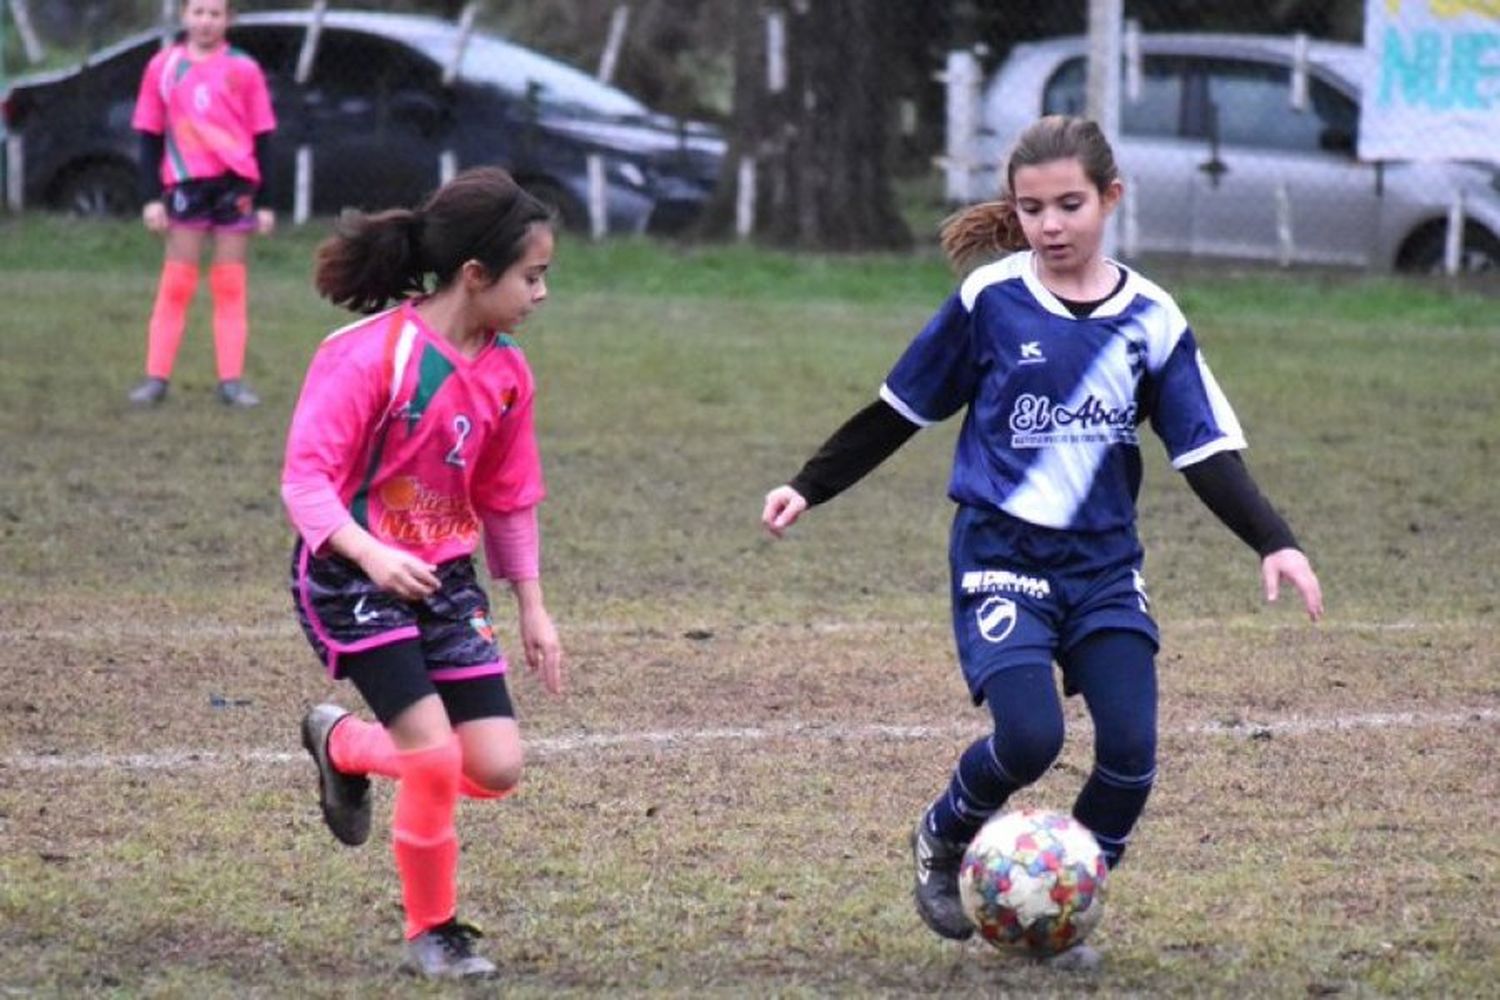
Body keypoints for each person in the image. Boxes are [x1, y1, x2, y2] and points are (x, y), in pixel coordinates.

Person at [760, 115, 1323, 966]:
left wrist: (1274, 541)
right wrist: (809, 484)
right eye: (1031, 209)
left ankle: (1061, 905)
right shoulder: (991, 301)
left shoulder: (1153, 321)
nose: (1051, 225)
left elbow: (1205, 452)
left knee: (1131, 758)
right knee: (1031, 739)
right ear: (1014, 212)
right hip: (1001, 558)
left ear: (1110, 199)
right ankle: (944, 839)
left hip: (1102, 569)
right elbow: (901, 409)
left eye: (1069, 205)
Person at [283, 166, 566, 980]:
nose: (541, 295)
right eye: (532, 277)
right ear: (476, 276)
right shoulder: (370, 355)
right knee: (436, 761)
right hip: (350, 577)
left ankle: (342, 745)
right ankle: (432, 932)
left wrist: (534, 610)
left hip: (443, 579)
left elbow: (509, 498)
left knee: (495, 767)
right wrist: (371, 553)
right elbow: (305, 482)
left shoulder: (508, 372)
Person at [128, 0, 275, 408]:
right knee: (177, 284)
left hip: (234, 186)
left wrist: (266, 202)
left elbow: (263, 136)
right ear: (184, 16)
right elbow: (148, 135)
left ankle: (231, 383)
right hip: (186, 186)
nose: (206, 21)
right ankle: (156, 379)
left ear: (228, 19)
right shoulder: (163, 67)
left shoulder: (244, 68)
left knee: (229, 287)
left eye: (215, 13)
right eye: (199, 12)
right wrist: (149, 198)